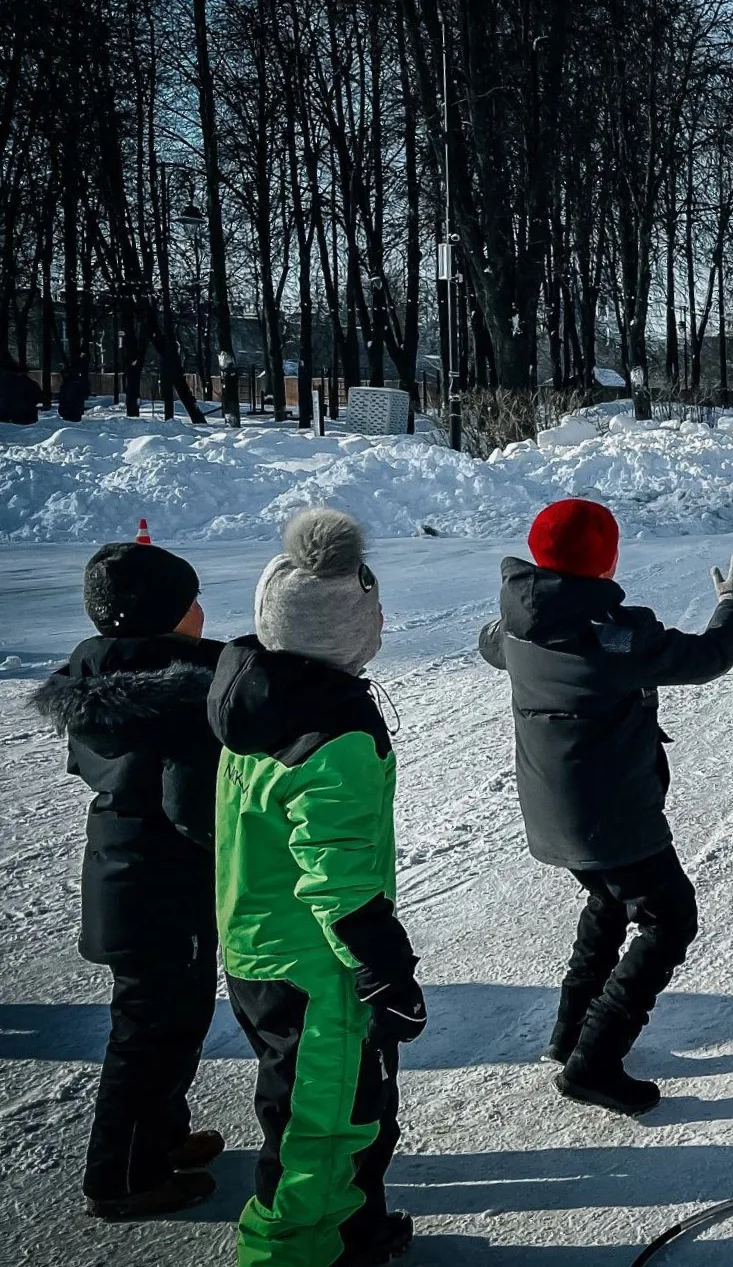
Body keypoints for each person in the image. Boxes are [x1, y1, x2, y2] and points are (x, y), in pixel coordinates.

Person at [479, 499, 733, 1116]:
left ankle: (570, 1033)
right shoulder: (617, 636)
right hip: (612, 813)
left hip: (554, 808)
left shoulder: (518, 626)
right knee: (670, 918)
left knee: (608, 899)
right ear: (607, 560)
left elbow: (489, 644)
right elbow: (708, 658)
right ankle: (595, 1061)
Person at [208, 508, 422, 1267]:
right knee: (323, 1124)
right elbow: (336, 872)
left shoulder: (255, 693)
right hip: (315, 968)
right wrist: (384, 966)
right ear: (354, 629)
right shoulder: (336, 731)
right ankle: (289, 1252)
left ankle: (354, 1226)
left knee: (343, 1105)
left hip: (258, 945)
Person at [29, 541, 226, 1220]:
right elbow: (189, 806)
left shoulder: (94, 677)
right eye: (191, 599)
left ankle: (161, 1137)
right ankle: (120, 1178)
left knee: (165, 1020)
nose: (203, 610)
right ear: (170, 615)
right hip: (165, 885)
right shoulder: (182, 693)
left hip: (120, 873)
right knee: (153, 1034)